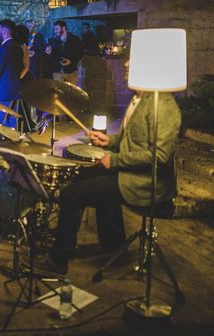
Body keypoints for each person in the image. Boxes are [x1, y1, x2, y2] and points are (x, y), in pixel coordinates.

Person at [38, 58, 182, 275]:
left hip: (145, 181)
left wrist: (114, 160)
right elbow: (131, 140)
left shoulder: (163, 106)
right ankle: (113, 245)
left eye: (132, 64)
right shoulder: (138, 99)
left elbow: (160, 156)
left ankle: (58, 261)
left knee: (71, 195)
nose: (125, 64)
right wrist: (108, 141)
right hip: (127, 170)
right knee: (78, 176)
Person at [45, 20, 83, 86]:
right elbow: (51, 58)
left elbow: (80, 54)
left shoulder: (75, 40)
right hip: (57, 72)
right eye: (54, 29)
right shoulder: (53, 41)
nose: (55, 31)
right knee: (58, 93)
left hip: (71, 72)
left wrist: (71, 61)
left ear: (63, 28)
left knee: (71, 93)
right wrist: (48, 53)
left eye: (57, 29)